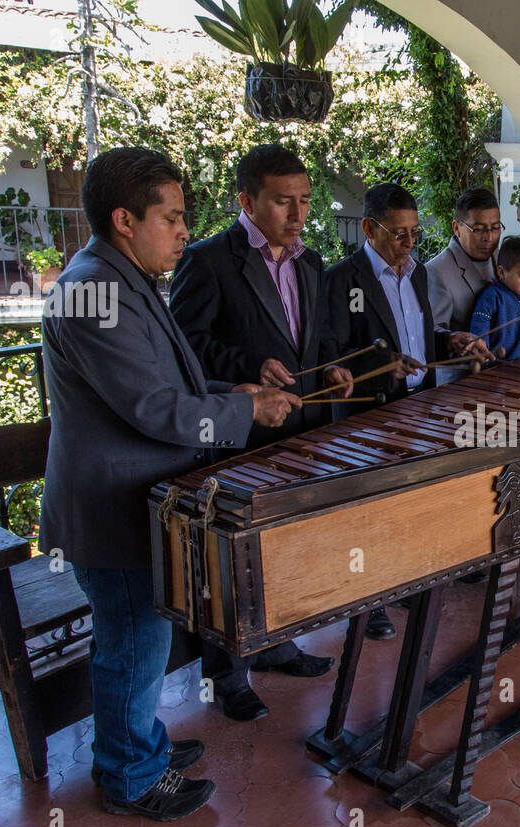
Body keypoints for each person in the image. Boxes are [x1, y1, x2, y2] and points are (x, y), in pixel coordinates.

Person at [40, 146, 298, 820]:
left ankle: (135, 743)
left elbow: (171, 385)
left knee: (137, 637)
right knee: (133, 642)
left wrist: (231, 388)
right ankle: (131, 776)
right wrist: (245, 411)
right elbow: (154, 411)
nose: (186, 230)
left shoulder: (122, 278)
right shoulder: (94, 292)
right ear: (125, 219)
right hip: (109, 512)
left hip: (133, 504)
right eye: (173, 217)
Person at [170, 144, 341, 722]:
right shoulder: (208, 260)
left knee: (286, 550)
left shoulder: (311, 262)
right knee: (231, 559)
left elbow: (311, 341)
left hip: (301, 431)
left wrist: (333, 366)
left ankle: (277, 644)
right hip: (240, 435)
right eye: (282, 202)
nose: (297, 214)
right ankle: (227, 674)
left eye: (305, 201)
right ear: (246, 200)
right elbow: (185, 350)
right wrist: (245, 371)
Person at [324, 182, 492, 638]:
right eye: (399, 234)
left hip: (420, 404)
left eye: (415, 233)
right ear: (368, 229)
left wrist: (449, 340)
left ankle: (409, 579)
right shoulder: (341, 280)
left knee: (413, 503)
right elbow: (332, 353)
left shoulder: (417, 273)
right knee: (370, 511)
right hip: (371, 413)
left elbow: (418, 336)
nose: (409, 243)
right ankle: (370, 602)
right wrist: (383, 365)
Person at [427, 187, 520, 382]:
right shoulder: (436, 271)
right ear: (456, 228)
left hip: (512, 374)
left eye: (495, 228)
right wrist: (455, 341)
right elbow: (431, 336)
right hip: (462, 381)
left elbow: (516, 307)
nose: (489, 237)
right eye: (478, 230)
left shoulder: (500, 256)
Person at [469, 236, 520, 360]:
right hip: (501, 368)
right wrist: (482, 349)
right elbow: (480, 324)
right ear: (502, 272)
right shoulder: (492, 296)